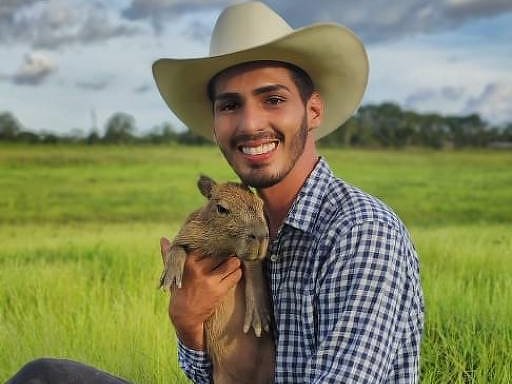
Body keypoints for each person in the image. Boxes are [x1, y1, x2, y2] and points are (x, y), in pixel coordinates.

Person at [7, 1, 423, 383]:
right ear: (214, 125)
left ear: (312, 110)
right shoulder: (235, 228)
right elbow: (215, 374)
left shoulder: (361, 234)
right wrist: (189, 324)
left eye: (273, 99)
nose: (250, 124)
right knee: (45, 376)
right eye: (229, 106)